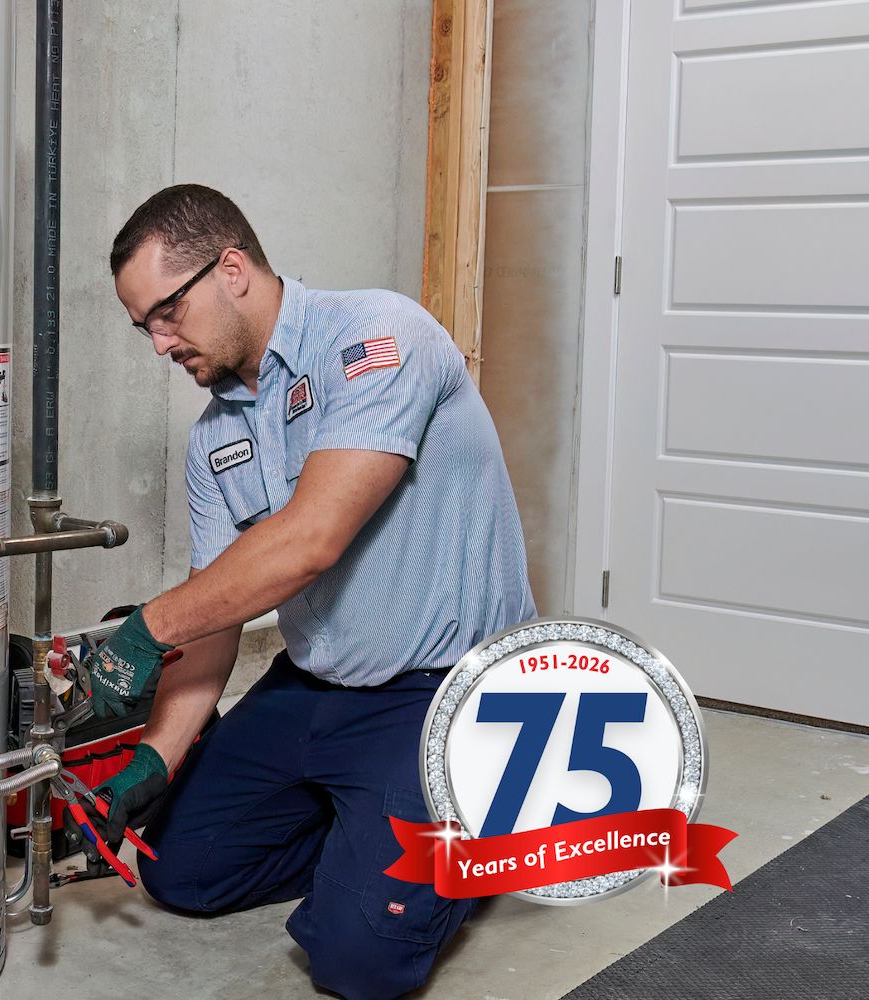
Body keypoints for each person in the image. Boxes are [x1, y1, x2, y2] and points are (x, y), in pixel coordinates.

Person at [87, 184, 535, 1000]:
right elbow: (217, 611)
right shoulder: (215, 435)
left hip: (440, 690)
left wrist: (144, 629)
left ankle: (476, 819)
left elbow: (310, 539)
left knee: (357, 962)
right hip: (315, 686)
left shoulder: (377, 338)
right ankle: (374, 827)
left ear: (231, 269)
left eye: (165, 312)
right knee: (179, 872)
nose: (158, 344)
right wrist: (155, 754)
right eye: (142, 325)